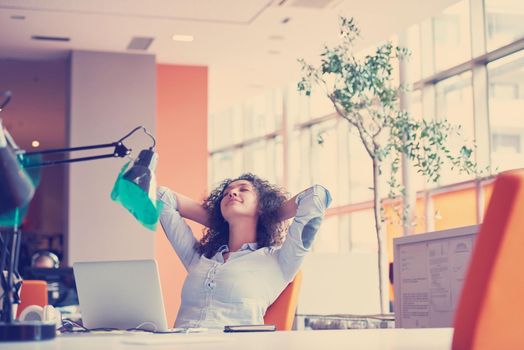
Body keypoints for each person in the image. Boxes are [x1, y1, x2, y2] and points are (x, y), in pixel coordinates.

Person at [157, 173, 331, 329]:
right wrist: (219, 222)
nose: (232, 193)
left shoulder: (280, 261)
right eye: (226, 193)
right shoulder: (200, 259)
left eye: (243, 190)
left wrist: (268, 215)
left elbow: (316, 196)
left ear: (262, 204)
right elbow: (162, 198)